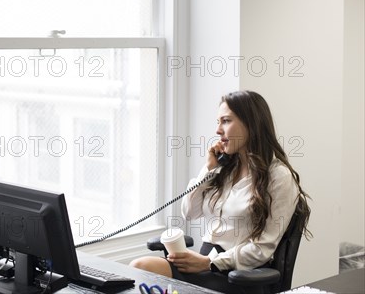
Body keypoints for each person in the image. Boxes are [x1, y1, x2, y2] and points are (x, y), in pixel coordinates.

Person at [130, 90, 311, 293]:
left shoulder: (279, 177)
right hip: (204, 264)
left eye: (225, 121)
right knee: (139, 269)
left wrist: (209, 262)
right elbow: (189, 211)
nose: (218, 130)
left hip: (238, 275)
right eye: (218, 122)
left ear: (251, 124)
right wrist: (208, 169)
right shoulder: (225, 168)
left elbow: (262, 249)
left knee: (150, 274)